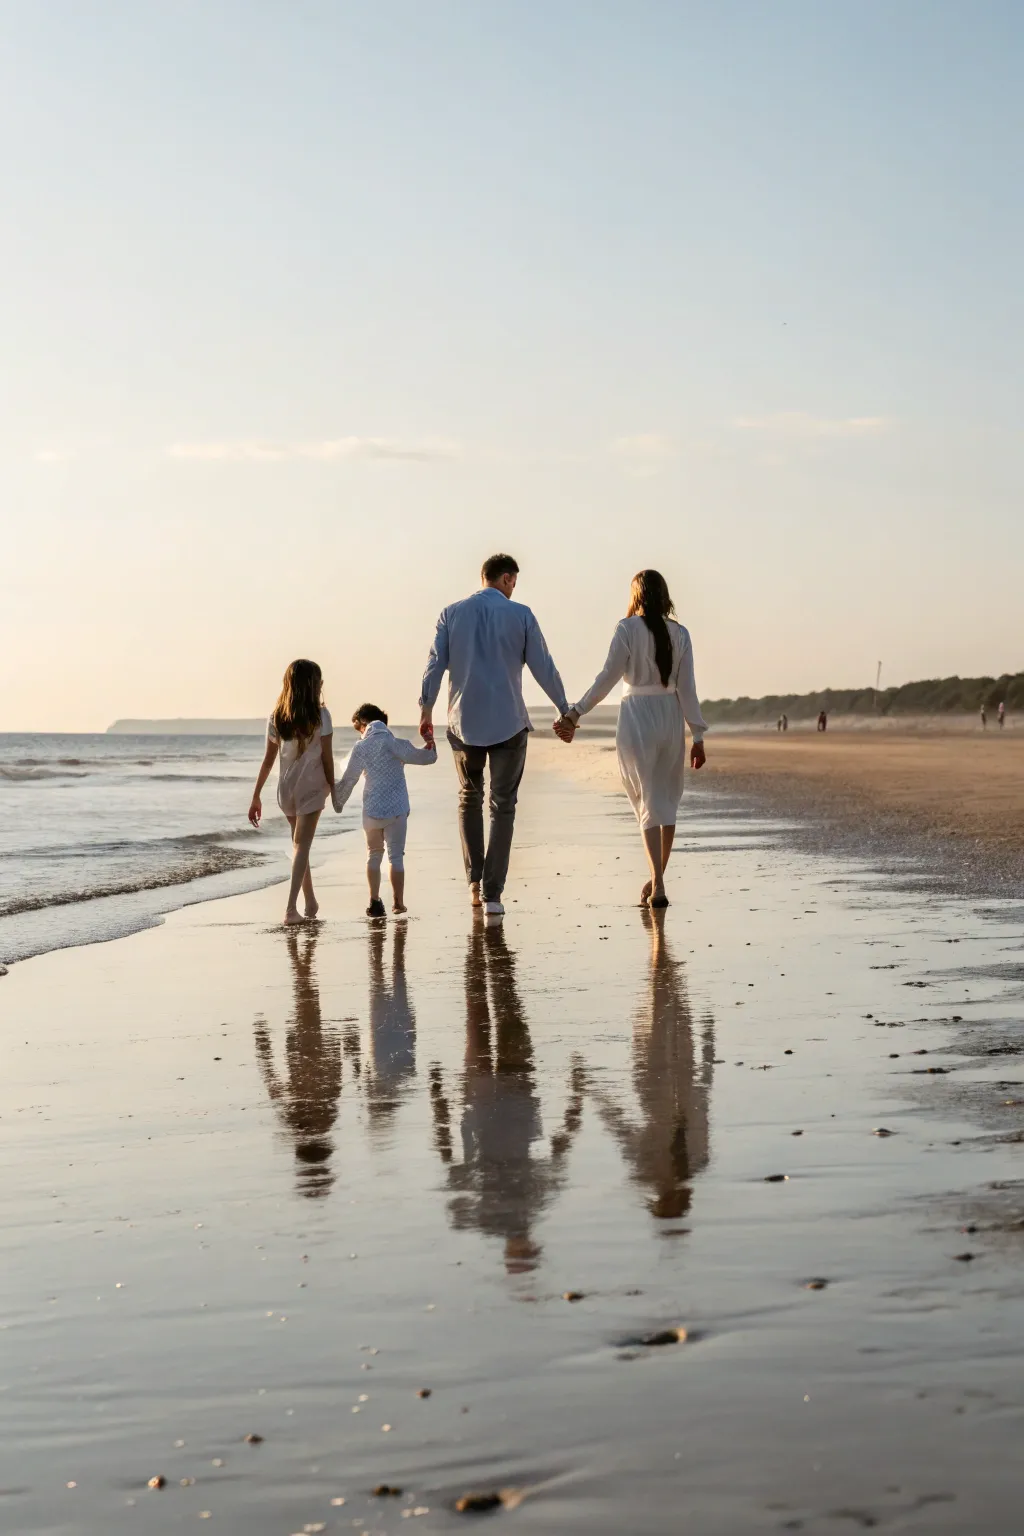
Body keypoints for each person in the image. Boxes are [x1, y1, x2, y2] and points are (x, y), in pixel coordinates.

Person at [419, 553, 571, 917]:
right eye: (513, 583)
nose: (513, 589)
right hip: (509, 724)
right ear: (506, 578)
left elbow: (434, 665)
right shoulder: (521, 614)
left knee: (469, 799)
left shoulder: (451, 613)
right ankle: (493, 895)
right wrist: (564, 709)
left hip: (463, 723)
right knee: (503, 806)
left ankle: (474, 881)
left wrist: (425, 710)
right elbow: (543, 667)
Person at [556, 569, 706, 909]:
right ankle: (658, 879)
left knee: (647, 802)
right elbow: (688, 689)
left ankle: (658, 886)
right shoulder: (679, 633)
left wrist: (576, 712)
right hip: (670, 717)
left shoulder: (626, 629)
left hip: (637, 716)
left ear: (635, 596)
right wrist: (697, 734)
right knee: (666, 802)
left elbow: (607, 678)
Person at [249, 658, 334, 925]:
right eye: (319, 680)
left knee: (299, 847)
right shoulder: (322, 716)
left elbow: (268, 760)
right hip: (310, 787)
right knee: (302, 846)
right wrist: (335, 788)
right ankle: (290, 909)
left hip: (285, 790)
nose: (322, 685)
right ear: (311, 685)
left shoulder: (277, 717)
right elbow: (327, 759)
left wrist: (256, 796)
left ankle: (309, 902)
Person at [333, 703, 436, 918]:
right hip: (396, 810)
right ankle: (398, 903)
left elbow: (349, 779)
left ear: (364, 724)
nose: (360, 734)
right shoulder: (394, 743)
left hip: (371, 810)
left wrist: (337, 801)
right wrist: (430, 743)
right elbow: (426, 758)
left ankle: (374, 902)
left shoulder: (360, 747)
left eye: (358, 729)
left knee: (373, 855)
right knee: (395, 857)